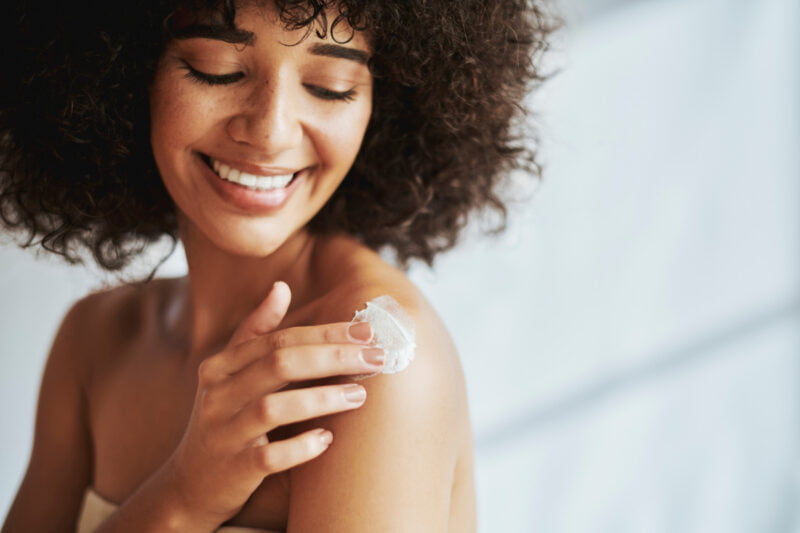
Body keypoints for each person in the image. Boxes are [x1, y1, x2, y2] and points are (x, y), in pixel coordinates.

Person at [0, 0, 555, 531]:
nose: (270, 131)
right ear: (123, 76)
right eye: (214, 71)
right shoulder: (95, 341)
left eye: (328, 87)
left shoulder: (371, 357)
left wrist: (181, 503)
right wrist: (182, 497)